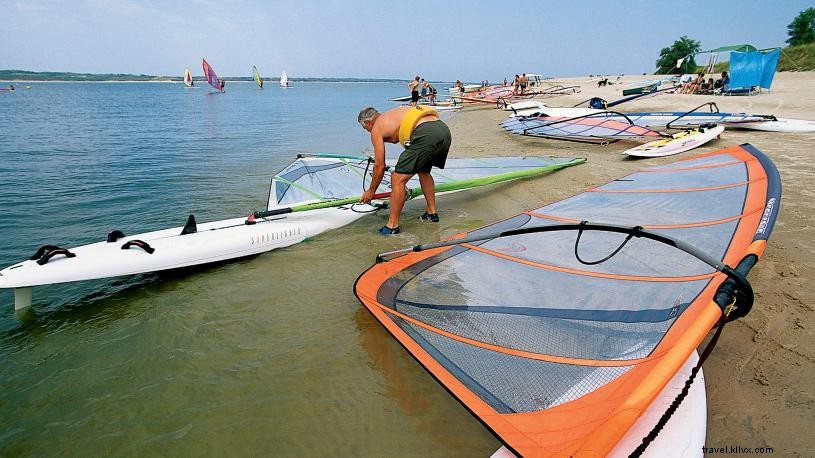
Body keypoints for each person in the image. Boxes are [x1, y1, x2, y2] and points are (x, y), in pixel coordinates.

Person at [357, 106, 452, 235]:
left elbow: (380, 166)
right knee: (423, 171)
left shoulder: (376, 128)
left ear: (368, 122)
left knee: (397, 178)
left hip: (425, 133)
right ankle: (432, 212)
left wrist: (371, 191)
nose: (368, 131)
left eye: (365, 129)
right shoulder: (392, 115)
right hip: (443, 130)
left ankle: (392, 226)